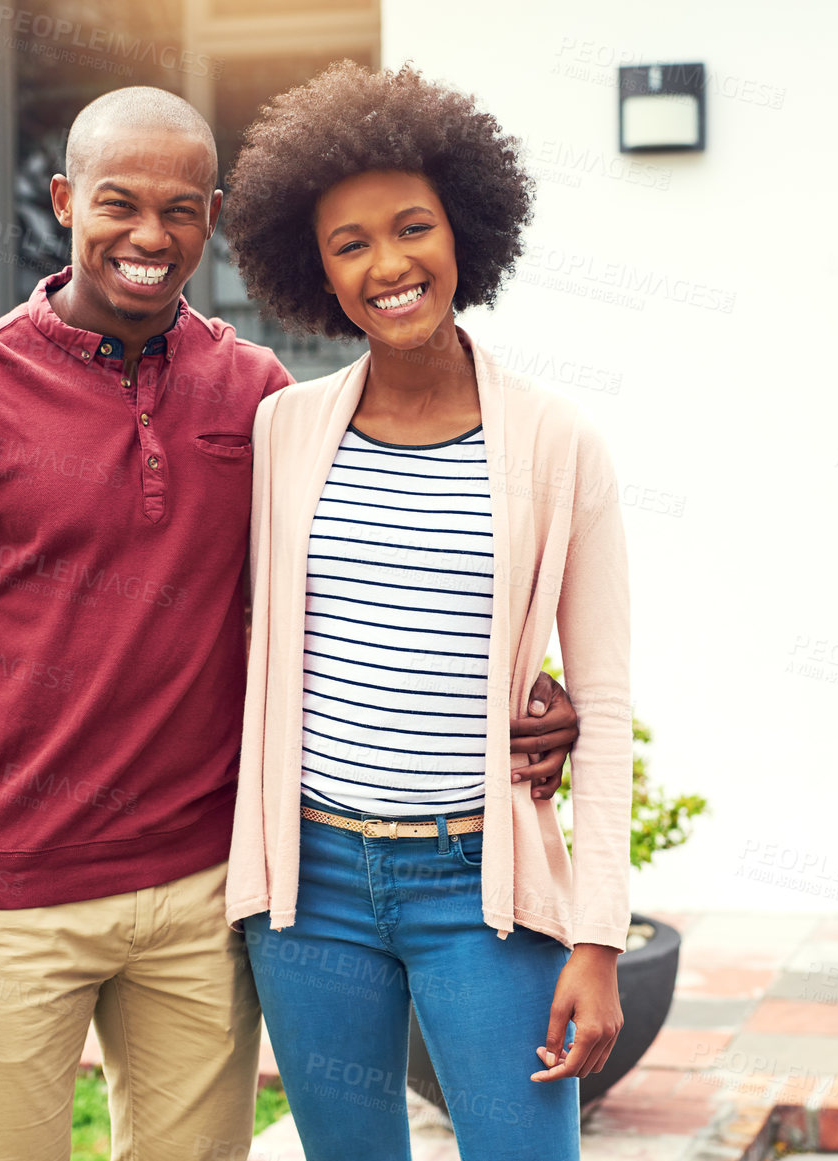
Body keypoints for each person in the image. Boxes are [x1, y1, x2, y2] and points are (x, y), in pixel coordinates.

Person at [0, 85, 580, 1161]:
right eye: (118, 203)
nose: (149, 236)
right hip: (11, 906)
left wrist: (522, 694)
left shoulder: (260, 401)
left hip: (203, 899)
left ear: (215, 218)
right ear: (62, 201)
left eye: (181, 209)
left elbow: (364, 587)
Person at [221, 62, 634, 1161]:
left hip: (479, 890)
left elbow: (601, 699)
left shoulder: (556, 443)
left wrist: (595, 937)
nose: (387, 266)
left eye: (412, 229)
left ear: (465, 231)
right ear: (313, 270)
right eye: (348, 243)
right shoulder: (283, 435)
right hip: (312, 893)